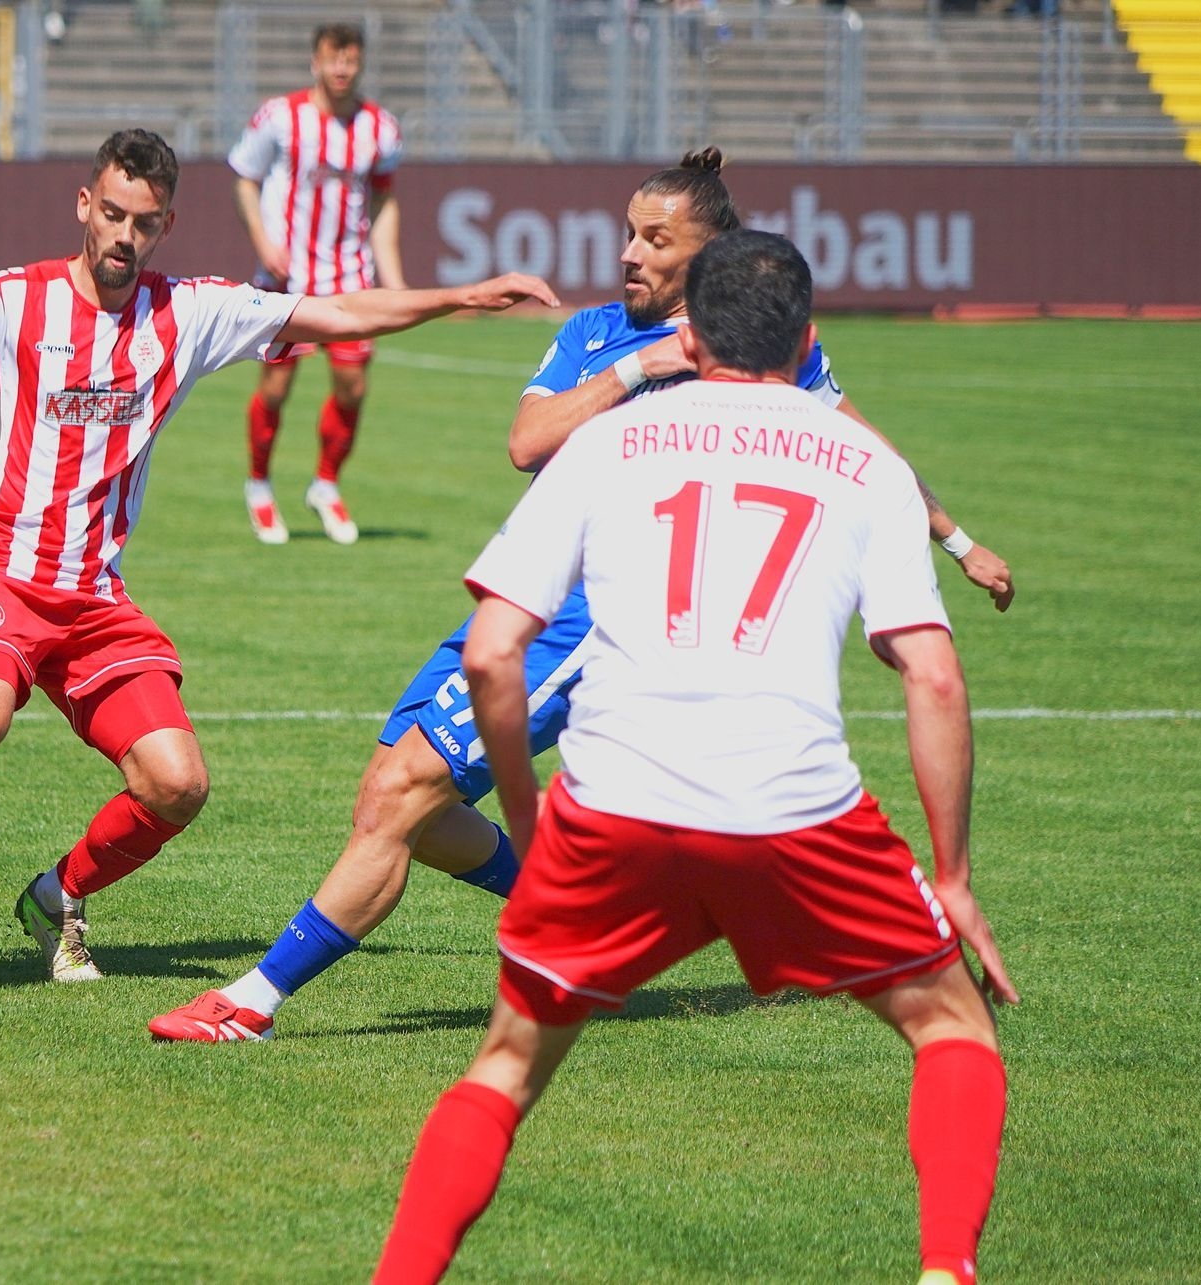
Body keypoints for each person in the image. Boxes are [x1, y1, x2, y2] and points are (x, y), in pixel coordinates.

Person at [149, 148, 1013, 1043]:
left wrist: (956, 540)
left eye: (656, 241)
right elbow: (527, 441)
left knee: (401, 792)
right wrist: (637, 372)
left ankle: (251, 1001)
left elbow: (863, 446)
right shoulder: (596, 333)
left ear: (709, 255)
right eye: (628, 234)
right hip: (527, 599)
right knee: (404, 803)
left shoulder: (746, 351)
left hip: (601, 621)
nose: (630, 253)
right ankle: (587, 908)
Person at [0, 130, 557, 984]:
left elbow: (335, 313)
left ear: (166, 227)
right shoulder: (13, 301)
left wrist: (465, 294)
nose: (124, 235)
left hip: (94, 596)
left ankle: (57, 898)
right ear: (85, 205)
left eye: (144, 222)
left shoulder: (187, 313)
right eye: (112, 214)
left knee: (176, 782)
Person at [373, 230, 1018, 1285]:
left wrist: (533, 824)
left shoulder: (607, 443)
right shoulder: (870, 466)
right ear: (806, 339)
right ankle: (945, 1268)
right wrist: (952, 876)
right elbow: (934, 679)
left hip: (612, 807)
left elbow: (491, 654)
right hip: (797, 809)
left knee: (504, 1067)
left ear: (693, 336)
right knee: (954, 1028)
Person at [229, 23, 405, 546]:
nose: (341, 68)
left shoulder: (380, 129)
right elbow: (244, 179)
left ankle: (325, 484)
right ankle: (259, 485)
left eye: (350, 59)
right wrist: (263, 242)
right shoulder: (280, 117)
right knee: (276, 387)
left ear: (361, 64)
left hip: (349, 277)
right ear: (316, 62)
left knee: (353, 386)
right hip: (289, 279)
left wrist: (394, 280)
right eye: (333, 58)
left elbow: (383, 201)